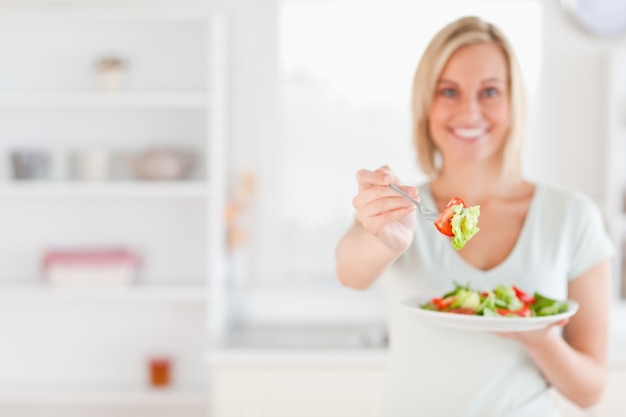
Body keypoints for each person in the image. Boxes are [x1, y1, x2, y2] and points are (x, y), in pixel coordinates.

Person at [335, 16, 614, 417]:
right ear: (425, 104)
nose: (469, 111)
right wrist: (381, 238)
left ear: (513, 102)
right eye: (449, 91)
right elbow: (350, 272)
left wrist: (541, 340)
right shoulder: (401, 210)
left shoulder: (572, 217)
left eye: (489, 91)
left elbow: (590, 392)